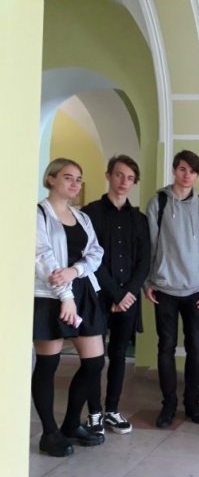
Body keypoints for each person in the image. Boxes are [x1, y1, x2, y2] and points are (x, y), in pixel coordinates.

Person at [33, 158, 106, 456]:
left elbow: (96, 252)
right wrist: (65, 295)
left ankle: (71, 424)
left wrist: (75, 271)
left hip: (83, 291)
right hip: (49, 295)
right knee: (48, 365)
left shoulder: (82, 216)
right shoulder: (39, 213)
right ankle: (49, 433)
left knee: (94, 363)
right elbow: (42, 256)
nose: (75, 183)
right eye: (68, 177)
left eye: (78, 178)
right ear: (50, 179)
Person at [145, 150, 199, 428]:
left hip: (197, 290)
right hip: (164, 288)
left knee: (196, 347)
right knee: (165, 346)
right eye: (183, 169)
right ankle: (168, 405)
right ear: (175, 170)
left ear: (197, 176)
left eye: (193, 171)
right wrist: (148, 282)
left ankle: (192, 404)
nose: (187, 175)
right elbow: (151, 244)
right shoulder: (159, 201)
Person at [82, 155, 150, 435]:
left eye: (130, 178)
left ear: (134, 183)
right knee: (93, 359)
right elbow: (89, 258)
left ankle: (111, 409)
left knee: (119, 354)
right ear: (108, 175)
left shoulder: (140, 219)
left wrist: (129, 293)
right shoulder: (90, 213)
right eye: (119, 175)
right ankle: (94, 413)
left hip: (128, 299)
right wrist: (116, 294)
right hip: (98, 297)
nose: (124, 182)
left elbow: (144, 261)